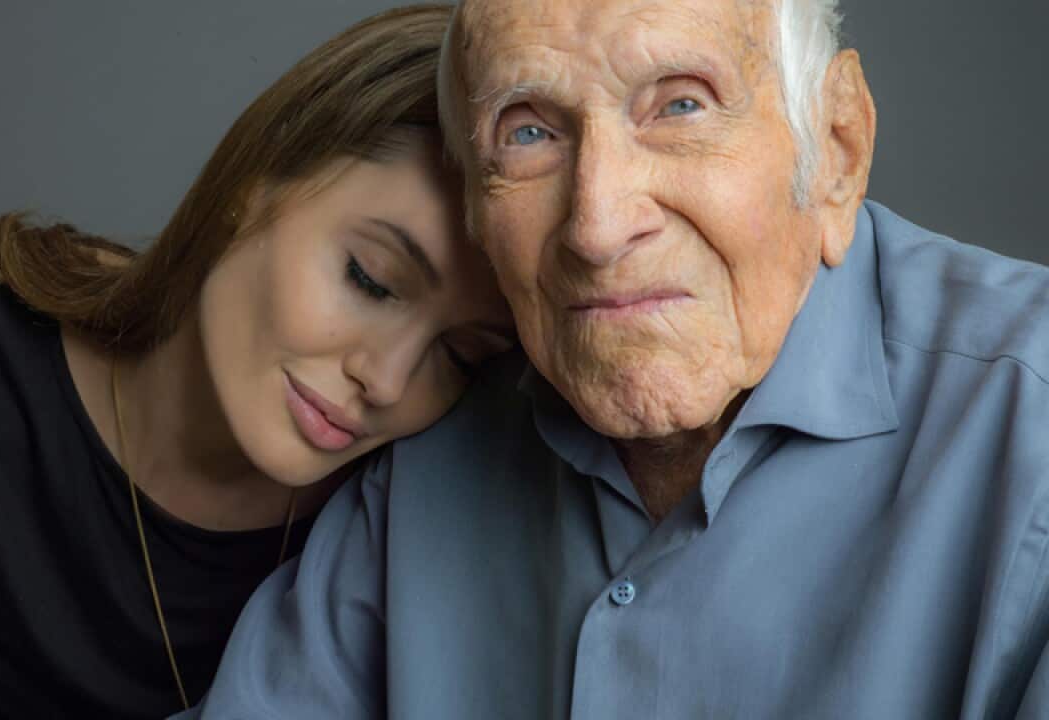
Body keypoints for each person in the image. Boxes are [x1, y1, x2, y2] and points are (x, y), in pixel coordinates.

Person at [190, 0, 1049, 718]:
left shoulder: (1029, 434)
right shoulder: (439, 433)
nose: (597, 226)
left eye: (680, 106)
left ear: (836, 151)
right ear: (476, 209)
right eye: (528, 133)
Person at [0, 5, 515, 717]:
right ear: (254, 184)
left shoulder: (414, 507)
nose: (385, 381)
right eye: (370, 279)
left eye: (457, 354)